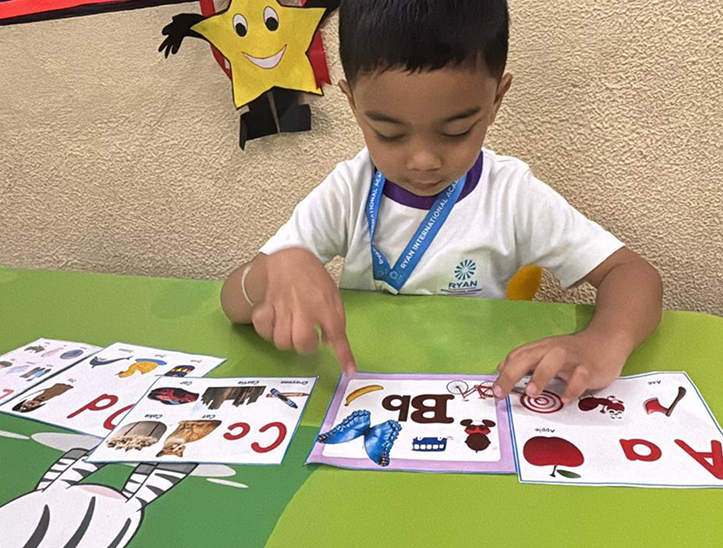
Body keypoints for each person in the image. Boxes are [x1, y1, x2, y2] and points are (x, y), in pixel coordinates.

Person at [221, 0, 663, 404]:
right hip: (366, 391)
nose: (424, 161)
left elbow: (633, 274)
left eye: (456, 131)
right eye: (389, 133)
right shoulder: (348, 191)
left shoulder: (512, 195)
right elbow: (231, 302)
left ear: (496, 100)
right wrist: (272, 273)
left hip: (475, 395)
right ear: (353, 104)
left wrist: (605, 340)